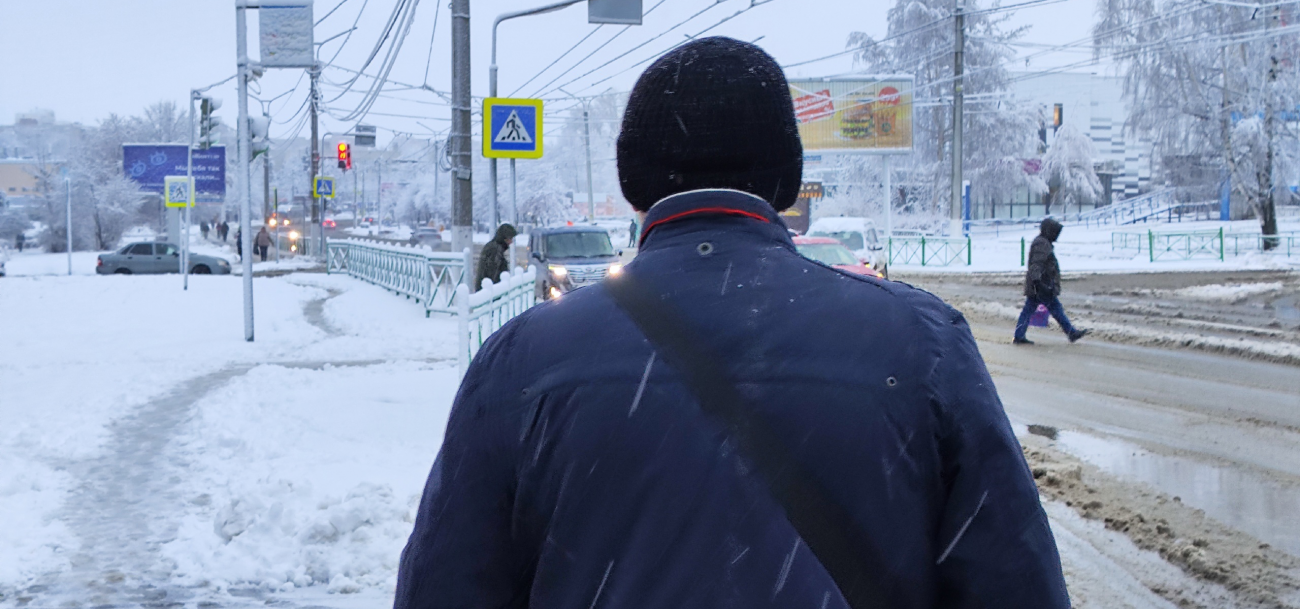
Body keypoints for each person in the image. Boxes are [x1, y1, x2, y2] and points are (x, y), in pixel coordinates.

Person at [395, 38, 1068, 609]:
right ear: (786, 177)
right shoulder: (921, 343)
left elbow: (445, 586)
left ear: (635, 182)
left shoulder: (525, 360)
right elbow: (1016, 583)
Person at [1014, 218, 1090, 345]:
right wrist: (1038, 282)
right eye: (1056, 232)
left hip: (1040, 285)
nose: (1057, 236)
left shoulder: (1042, 243)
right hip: (1042, 286)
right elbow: (1036, 265)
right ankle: (1071, 332)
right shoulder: (1042, 244)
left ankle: (1019, 335)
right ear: (1050, 231)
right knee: (1054, 309)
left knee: (1031, 310)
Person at [473, 223, 516, 291]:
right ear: (504, 238)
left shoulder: (494, 247)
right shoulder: (494, 249)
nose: (511, 242)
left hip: (488, 290)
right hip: (489, 292)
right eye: (510, 238)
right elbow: (492, 273)